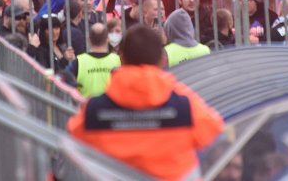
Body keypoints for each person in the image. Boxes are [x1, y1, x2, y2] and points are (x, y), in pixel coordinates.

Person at [68, 25, 224, 181]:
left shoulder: (94, 110)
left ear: (121, 59)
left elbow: (74, 135)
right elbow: (213, 127)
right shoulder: (184, 106)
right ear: (163, 61)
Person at [69, 23, 121, 98]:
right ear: (108, 39)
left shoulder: (78, 61)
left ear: (88, 39)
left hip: (85, 107)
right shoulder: (118, 60)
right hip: (111, 108)